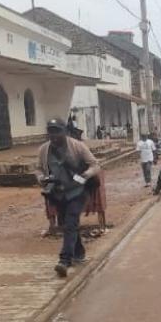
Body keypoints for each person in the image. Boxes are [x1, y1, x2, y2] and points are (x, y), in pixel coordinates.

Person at [36, 118, 100, 278]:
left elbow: (95, 164)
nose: (54, 135)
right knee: (67, 224)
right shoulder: (44, 150)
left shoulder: (77, 146)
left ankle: (64, 261)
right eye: (51, 131)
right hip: (58, 194)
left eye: (57, 131)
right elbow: (38, 169)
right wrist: (42, 178)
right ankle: (79, 252)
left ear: (64, 131)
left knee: (71, 222)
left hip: (77, 192)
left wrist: (85, 175)